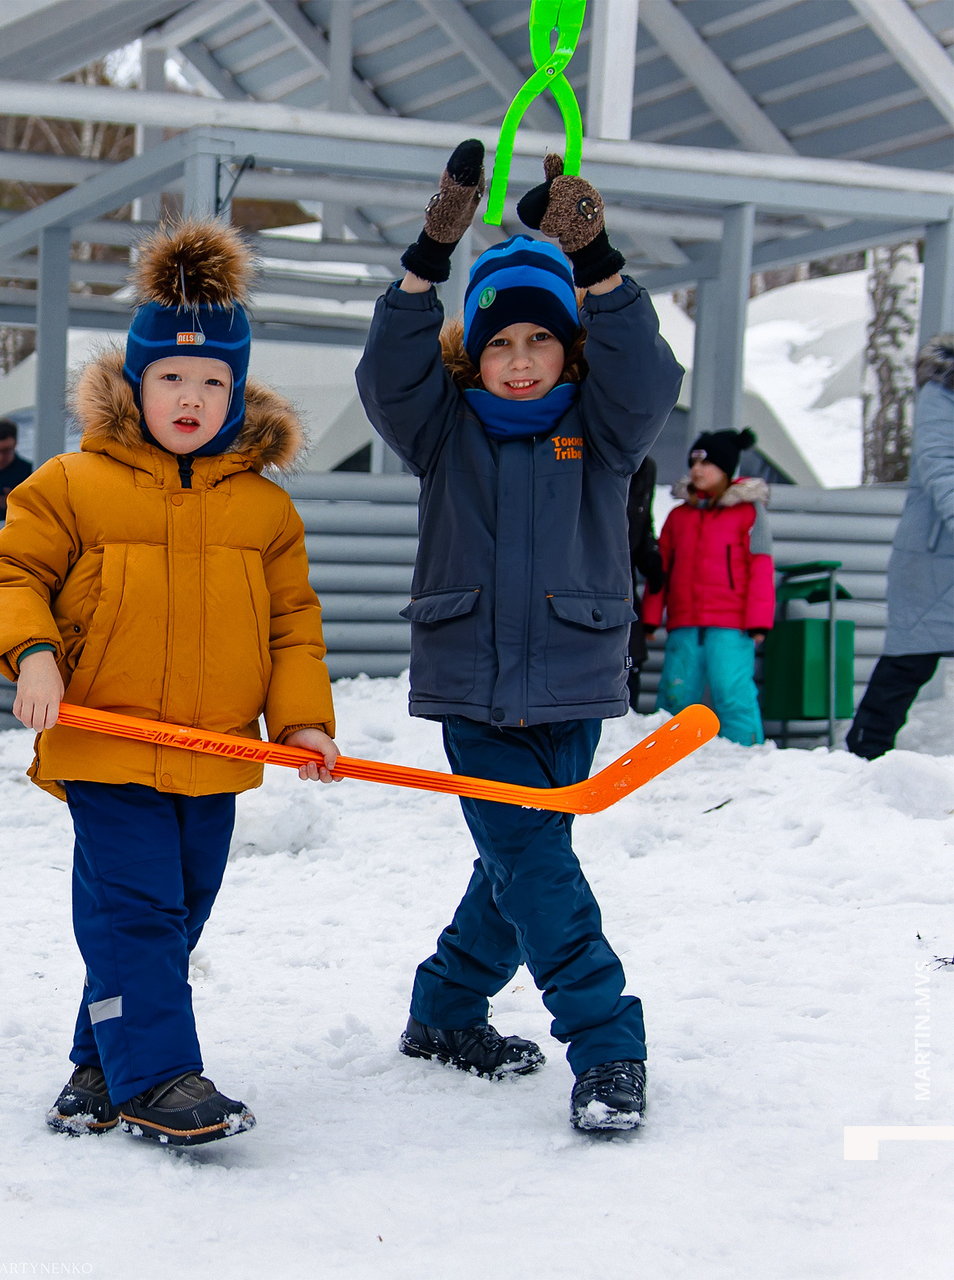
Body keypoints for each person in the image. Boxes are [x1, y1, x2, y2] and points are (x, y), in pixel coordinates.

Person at [0, 219, 340, 1147]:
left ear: (238, 392)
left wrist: (300, 723)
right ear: (136, 384)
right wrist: (36, 654)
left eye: (213, 381)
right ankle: (163, 1079)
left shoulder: (265, 507)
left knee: (170, 916)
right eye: (172, 377)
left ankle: (98, 1066)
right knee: (138, 910)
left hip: (212, 754)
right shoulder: (72, 482)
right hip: (105, 739)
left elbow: (293, 625)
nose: (191, 396)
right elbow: (9, 574)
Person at [355, 144, 683, 1131]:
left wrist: (600, 261)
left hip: (575, 681)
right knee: (538, 863)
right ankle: (608, 1042)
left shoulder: (605, 427)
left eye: (542, 339)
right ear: (477, 351)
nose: (523, 356)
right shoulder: (442, 428)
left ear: (568, 348)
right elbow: (387, 371)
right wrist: (431, 251)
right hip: (473, 690)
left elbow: (650, 372)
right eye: (503, 342)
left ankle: (446, 1009)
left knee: (516, 862)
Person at [848, 334, 954, 759]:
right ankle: (865, 753)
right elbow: (937, 462)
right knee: (910, 658)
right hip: (936, 557)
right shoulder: (945, 385)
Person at [641, 429, 773, 746]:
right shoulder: (678, 517)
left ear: (726, 468)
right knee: (676, 693)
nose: (697, 470)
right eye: (693, 463)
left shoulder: (749, 513)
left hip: (732, 625)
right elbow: (661, 571)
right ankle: (663, 758)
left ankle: (747, 755)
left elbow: (761, 567)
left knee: (732, 692)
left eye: (706, 464)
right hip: (684, 622)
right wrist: (650, 615)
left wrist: (759, 621)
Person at [627, 453, 663, 704]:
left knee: (631, 659)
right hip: (581, 578)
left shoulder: (645, 467)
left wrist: (649, 553)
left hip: (624, 584)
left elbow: (642, 521)